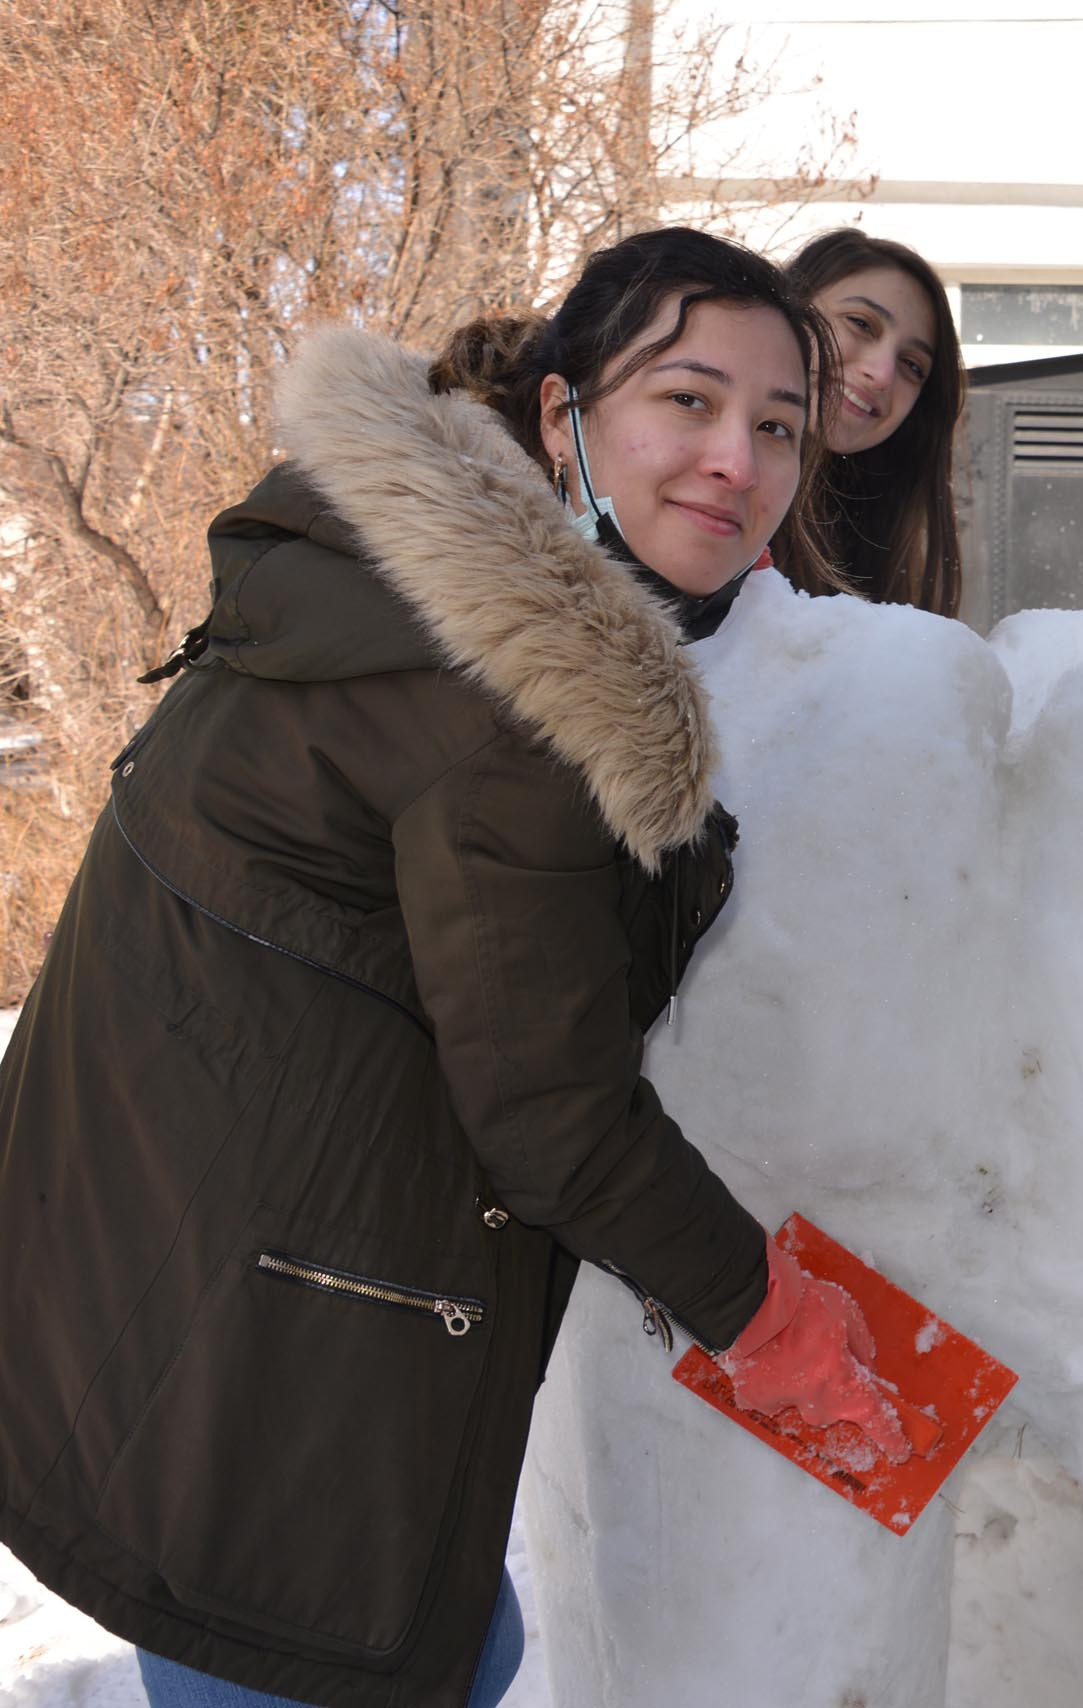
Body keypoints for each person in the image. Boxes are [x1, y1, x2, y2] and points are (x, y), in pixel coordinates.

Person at [0, 228, 908, 1708]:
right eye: (687, 400)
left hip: (131, 1254)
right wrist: (771, 1321)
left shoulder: (382, 563)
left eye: (778, 427)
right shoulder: (508, 708)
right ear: (560, 413)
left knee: (463, 1645)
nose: (735, 460)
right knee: (356, 1649)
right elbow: (554, 1117)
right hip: (244, 1339)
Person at [780, 228, 968, 616]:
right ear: (788, 310)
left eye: (912, 365)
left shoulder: (879, 574)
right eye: (861, 324)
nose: (882, 375)